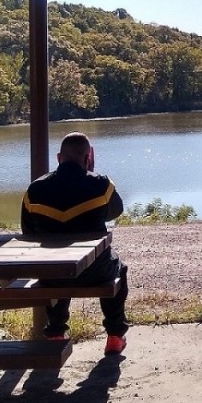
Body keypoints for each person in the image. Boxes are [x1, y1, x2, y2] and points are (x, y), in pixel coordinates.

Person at [21, 132, 130, 355]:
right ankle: (115, 335)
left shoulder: (35, 190)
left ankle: (56, 333)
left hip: (52, 273)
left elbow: (28, 232)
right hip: (95, 272)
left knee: (56, 266)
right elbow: (115, 212)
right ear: (88, 158)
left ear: (59, 157)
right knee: (118, 267)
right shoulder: (101, 184)